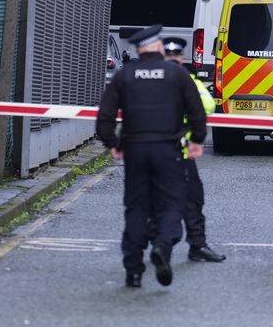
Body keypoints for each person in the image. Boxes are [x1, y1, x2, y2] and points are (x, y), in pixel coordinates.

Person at [96, 24, 208, 289]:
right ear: (158, 46)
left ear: (138, 48)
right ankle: (161, 246)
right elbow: (197, 112)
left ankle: (133, 271)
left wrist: (113, 143)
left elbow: (104, 118)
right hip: (168, 151)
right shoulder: (177, 74)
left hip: (135, 150)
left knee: (136, 208)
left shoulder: (125, 75)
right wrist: (197, 141)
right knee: (171, 205)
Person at [161, 37, 226, 263]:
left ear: (180, 58)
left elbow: (208, 104)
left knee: (193, 199)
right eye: (169, 56)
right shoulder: (154, 79)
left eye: (175, 56)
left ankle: (197, 245)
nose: (172, 60)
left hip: (183, 150)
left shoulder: (189, 80)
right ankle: (159, 245)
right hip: (158, 150)